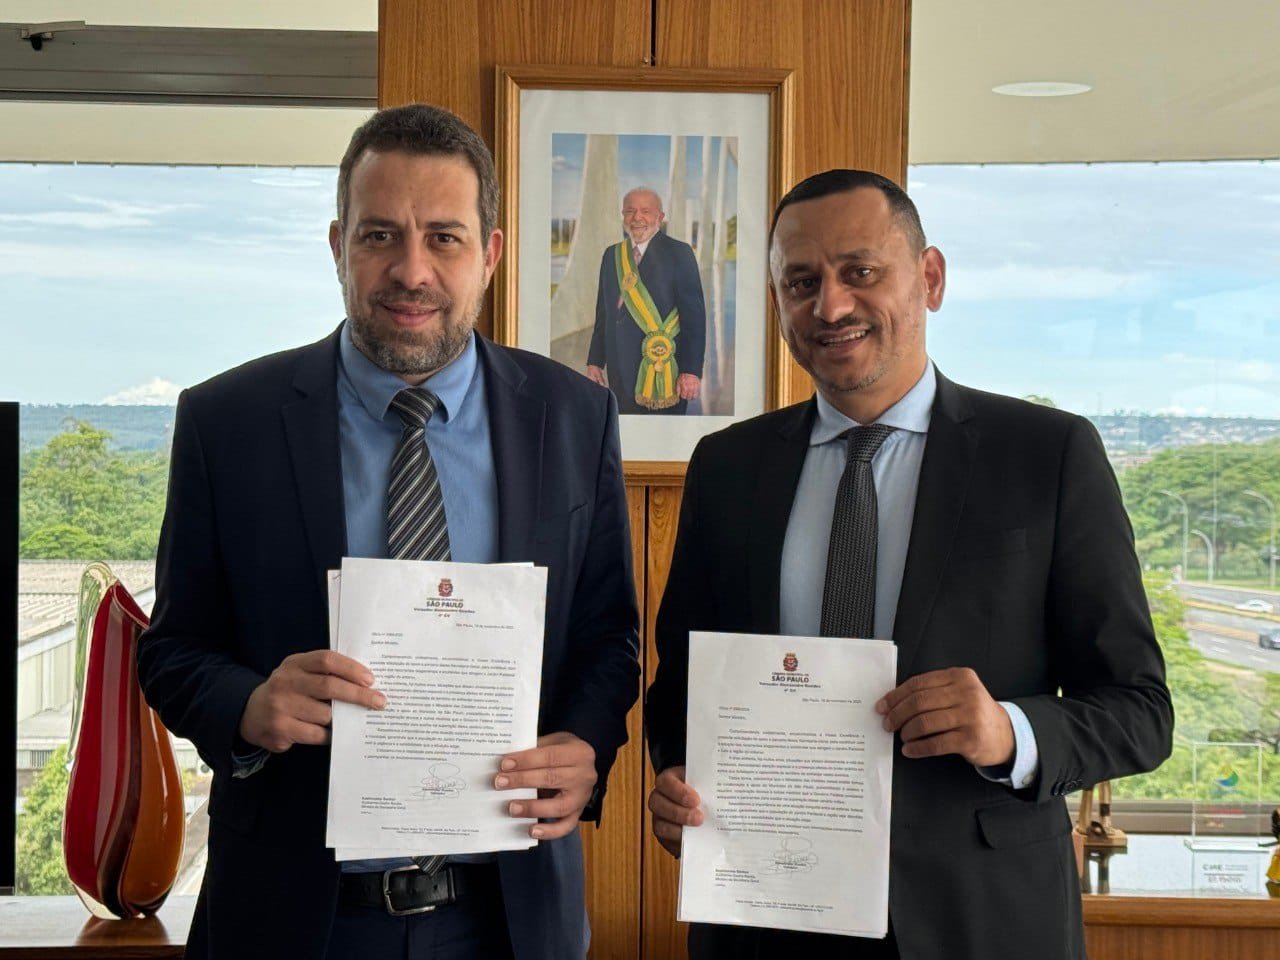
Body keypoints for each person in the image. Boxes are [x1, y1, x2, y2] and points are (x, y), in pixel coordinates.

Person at [137, 104, 640, 960]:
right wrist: (249, 706)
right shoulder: (230, 421)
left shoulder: (572, 416)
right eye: (380, 236)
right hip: (295, 918)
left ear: (490, 253)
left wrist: (586, 745)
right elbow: (173, 650)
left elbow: (607, 635)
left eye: (444, 237)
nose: (412, 270)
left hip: (509, 919)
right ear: (339, 246)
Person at [644, 169, 1173, 959]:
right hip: (764, 916)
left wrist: (1009, 731)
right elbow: (682, 685)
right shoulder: (727, 467)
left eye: (860, 271)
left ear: (929, 278)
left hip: (981, 921)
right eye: (801, 282)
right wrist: (677, 780)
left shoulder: (1048, 455)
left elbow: (1140, 710)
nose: (831, 306)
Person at [586, 187, 706, 415]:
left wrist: (691, 371)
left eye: (646, 211)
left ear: (660, 216)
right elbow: (604, 313)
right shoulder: (612, 255)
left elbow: (694, 318)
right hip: (618, 369)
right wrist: (595, 361)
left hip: (665, 370)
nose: (637, 218)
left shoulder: (680, 253)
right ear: (623, 216)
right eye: (630, 211)